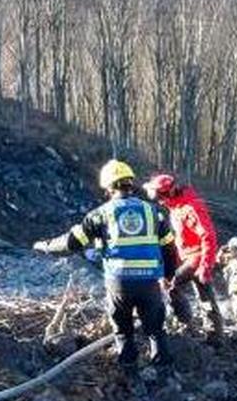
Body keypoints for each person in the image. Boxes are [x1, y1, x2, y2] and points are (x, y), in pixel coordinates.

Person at [33, 159, 179, 373]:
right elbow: (169, 248)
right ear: (131, 183)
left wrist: (44, 246)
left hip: (119, 282)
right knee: (155, 329)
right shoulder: (153, 212)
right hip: (149, 282)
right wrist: (168, 275)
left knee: (123, 330)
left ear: (108, 187)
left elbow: (72, 243)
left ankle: (128, 370)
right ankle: (164, 374)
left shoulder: (100, 214)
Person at [143, 173, 224, 341]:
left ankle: (186, 321)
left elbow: (208, 237)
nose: (159, 201)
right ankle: (214, 335)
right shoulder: (176, 207)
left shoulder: (190, 209)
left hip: (198, 257)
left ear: (168, 193)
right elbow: (182, 241)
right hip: (189, 256)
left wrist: (205, 266)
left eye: (159, 197)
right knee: (205, 296)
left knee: (171, 284)